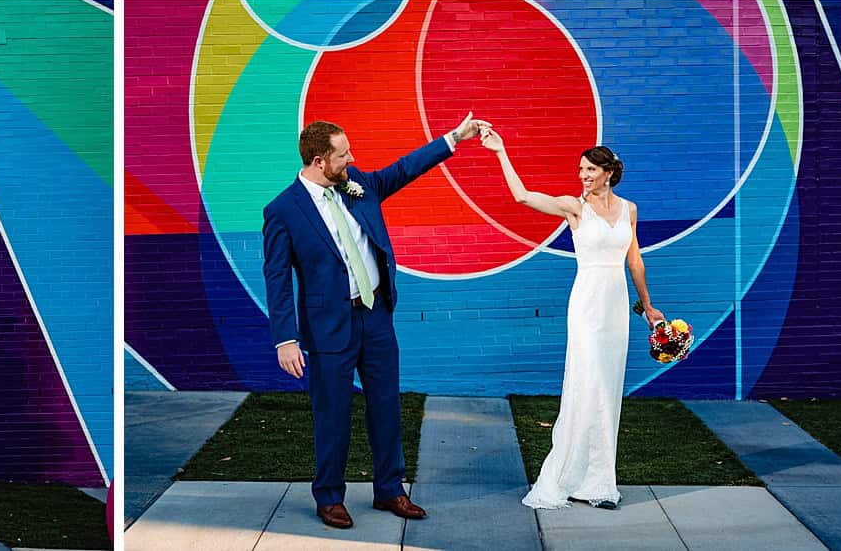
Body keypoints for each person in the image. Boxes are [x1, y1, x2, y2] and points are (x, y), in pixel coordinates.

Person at [263, 113, 489, 529]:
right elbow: (276, 276)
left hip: (376, 318)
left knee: (386, 407)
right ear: (319, 161)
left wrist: (455, 137)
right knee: (332, 414)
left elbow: (403, 169)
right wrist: (285, 339)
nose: (351, 159)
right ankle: (329, 496)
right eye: (343, 155)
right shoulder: (282, 211)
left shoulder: (358, 185)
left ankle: (390, 489)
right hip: (328, 329)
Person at [480, 130, 657, 511]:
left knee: (608, 389)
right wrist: (501, 151)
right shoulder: (574, 207)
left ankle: (599, 483)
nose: (583, 175)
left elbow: (634, 260)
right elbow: (522, 196)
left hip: (616, 306)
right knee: (589, 384)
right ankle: (568, 477)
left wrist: (647, 305)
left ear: (609, 172)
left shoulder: (629, 209)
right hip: (587, 305)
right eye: (581, 169)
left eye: (590, 169)